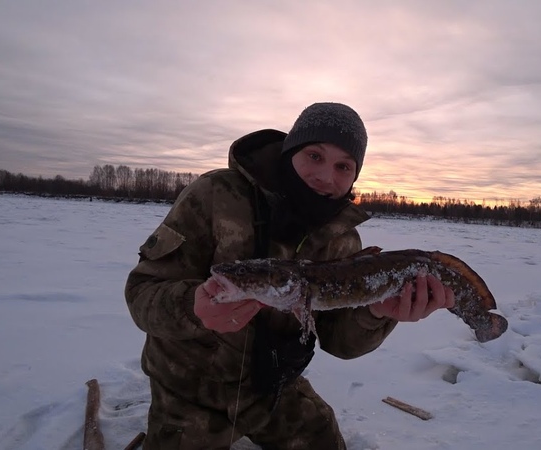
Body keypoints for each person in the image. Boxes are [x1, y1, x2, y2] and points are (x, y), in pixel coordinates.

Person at [125, 102, 455, 449]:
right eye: (315, 156)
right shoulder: (214, 195)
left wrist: (376, 313)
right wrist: (193, 307)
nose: (326, 176)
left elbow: (338, 341)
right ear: (290, 151)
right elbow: (142, 292)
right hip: (190, 388)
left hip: (271, 388)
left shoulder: (342, 240)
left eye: (343, 166)